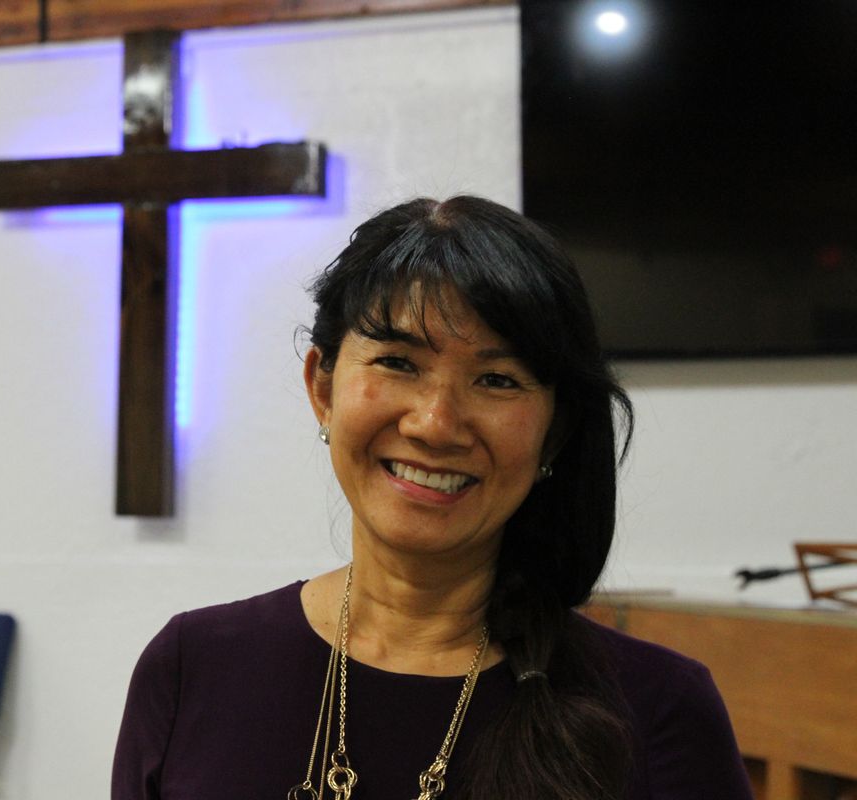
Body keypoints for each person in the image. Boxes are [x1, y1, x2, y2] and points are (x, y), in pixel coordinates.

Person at [111, 196, 753, 800]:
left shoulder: (659, 710)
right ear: (323, 388)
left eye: (497, 380)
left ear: (555, 433)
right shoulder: (192, 668)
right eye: (397, 363)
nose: (435, 423)